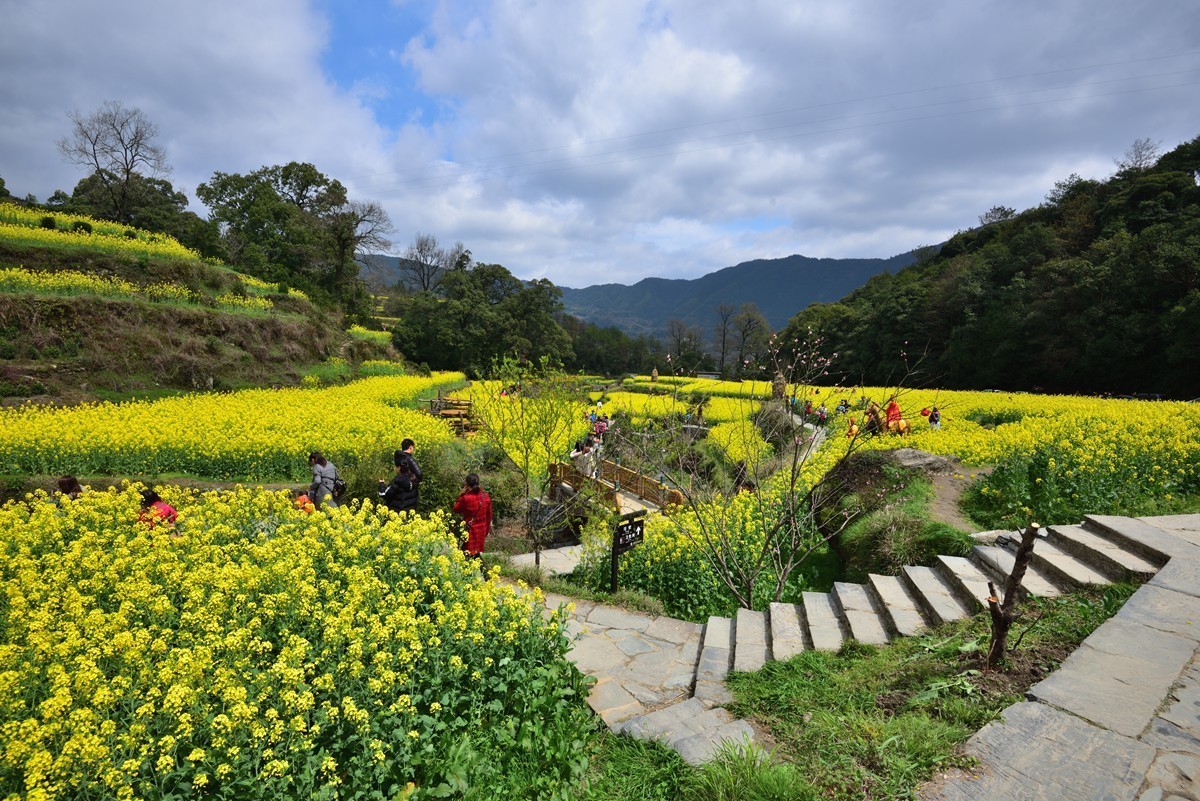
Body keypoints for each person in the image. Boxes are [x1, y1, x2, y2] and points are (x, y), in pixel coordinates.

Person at [453, 473, 493, 558]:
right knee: (475, 554)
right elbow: (489, 515)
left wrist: (462, 494)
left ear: (467, 485)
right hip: (482, 530)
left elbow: (456, 509)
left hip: (470, 531)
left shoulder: (466, 498)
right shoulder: (485, 496)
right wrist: (486, 530)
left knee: (467, 554)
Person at [393, 439, 422, 510]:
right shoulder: (409, 458)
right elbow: (419, 474)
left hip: (399, 483)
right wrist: (416, 482)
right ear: (410, 447)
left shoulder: (398, 457)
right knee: (409, 506)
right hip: (410, 486)